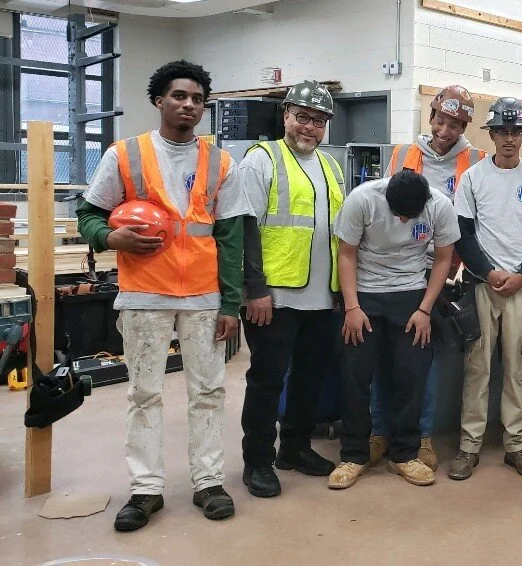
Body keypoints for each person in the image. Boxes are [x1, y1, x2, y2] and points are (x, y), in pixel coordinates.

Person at [76, 60, 248, 531]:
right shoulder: (125, 154)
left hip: (204, 296)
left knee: (209, 391)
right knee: (144, 393)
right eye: (179, 96)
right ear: (159, 100)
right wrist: (111, 240)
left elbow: (232, 239)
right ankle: (145, 489)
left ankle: (208, 482)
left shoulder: (221, 162)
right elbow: (88, 213)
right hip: (144, 295)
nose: (189, 105)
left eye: (197, 99)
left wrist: (231, 304)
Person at [237, 80, 343, 498]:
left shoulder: (330, 166)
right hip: (275, 297)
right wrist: (255, 288)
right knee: (267, 380)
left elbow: (340, 231)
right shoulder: (261, 160)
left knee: (310, 377)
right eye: (302, 117)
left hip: (322, 296)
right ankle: (258, 461)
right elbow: (245, 225)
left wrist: (341, 290)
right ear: (285, 115)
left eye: (318, 121)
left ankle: (295, 448)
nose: (309, 128)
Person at [375, 85, 487, 471]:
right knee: (384, 352)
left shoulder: (476, 159)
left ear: (465, 125)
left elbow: (473, 222)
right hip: (392, 267)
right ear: (432, 116)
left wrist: (457, 269)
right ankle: (379, 432)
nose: (445, 130)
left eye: (455, 124)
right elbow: (385, 208)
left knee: (425, 355)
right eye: (441, 120)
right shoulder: (404, 154)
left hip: (441, 268)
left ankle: (421, 434)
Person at [447, 98, 522, 480]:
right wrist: (489, 271)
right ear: (491, 134)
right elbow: (462, 233)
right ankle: (469, 447)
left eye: (516, 131)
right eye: (502, 131)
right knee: (477, 368)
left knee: (516, 369)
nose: (509, 138)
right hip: (481, 285)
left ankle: (517, 445)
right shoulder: (473, 179)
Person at [329, 169, 459, 489]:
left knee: (412, 375)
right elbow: (346, 254)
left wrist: (424, 309)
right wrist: (352, 307)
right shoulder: (362, 200)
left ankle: (404, 454)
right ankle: (353, 456)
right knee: (355, 375)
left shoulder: (439, 206)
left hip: (411, 295)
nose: (402, 222)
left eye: (409, 216)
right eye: (397, 214)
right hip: (365, 295)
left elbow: (443, 258)